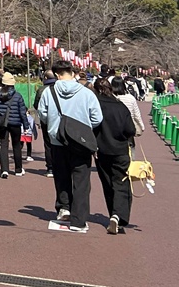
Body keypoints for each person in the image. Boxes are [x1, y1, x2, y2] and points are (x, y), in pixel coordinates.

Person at [37, 59, 103, 233]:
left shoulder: (48, 92)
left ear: (57, 74)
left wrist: (55, 124)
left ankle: (64, 208)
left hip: (57, 140)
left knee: (62, 176)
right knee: (81, 181)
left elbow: (42, 115)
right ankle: (79, 220)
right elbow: (97, 118)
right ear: (72, 73)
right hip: (81, 142)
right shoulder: (87, 93)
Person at [93, 78, 136, 235]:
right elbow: (130, 129)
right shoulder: (120, 106)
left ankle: (113, 213)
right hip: (120, 150)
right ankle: (118, 216)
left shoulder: (95, 105)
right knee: (121, 182)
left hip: (101, 149)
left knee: (107, 183)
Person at [0, 72, 30, 178]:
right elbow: (22, 112)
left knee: (3, 145)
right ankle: (18, 169)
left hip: (3, 124)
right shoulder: (17, 96)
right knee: (16, 146)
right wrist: (26, 126)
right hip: (15, 124)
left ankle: (4, 170)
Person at [33, 71, 57, 176]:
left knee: (48, 144)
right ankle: (60, 167)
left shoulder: (41, 90)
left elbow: (36, 105)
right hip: (59, 119)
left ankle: (50, 168)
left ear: (46, 78)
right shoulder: (60, 88)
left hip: (46, 120)